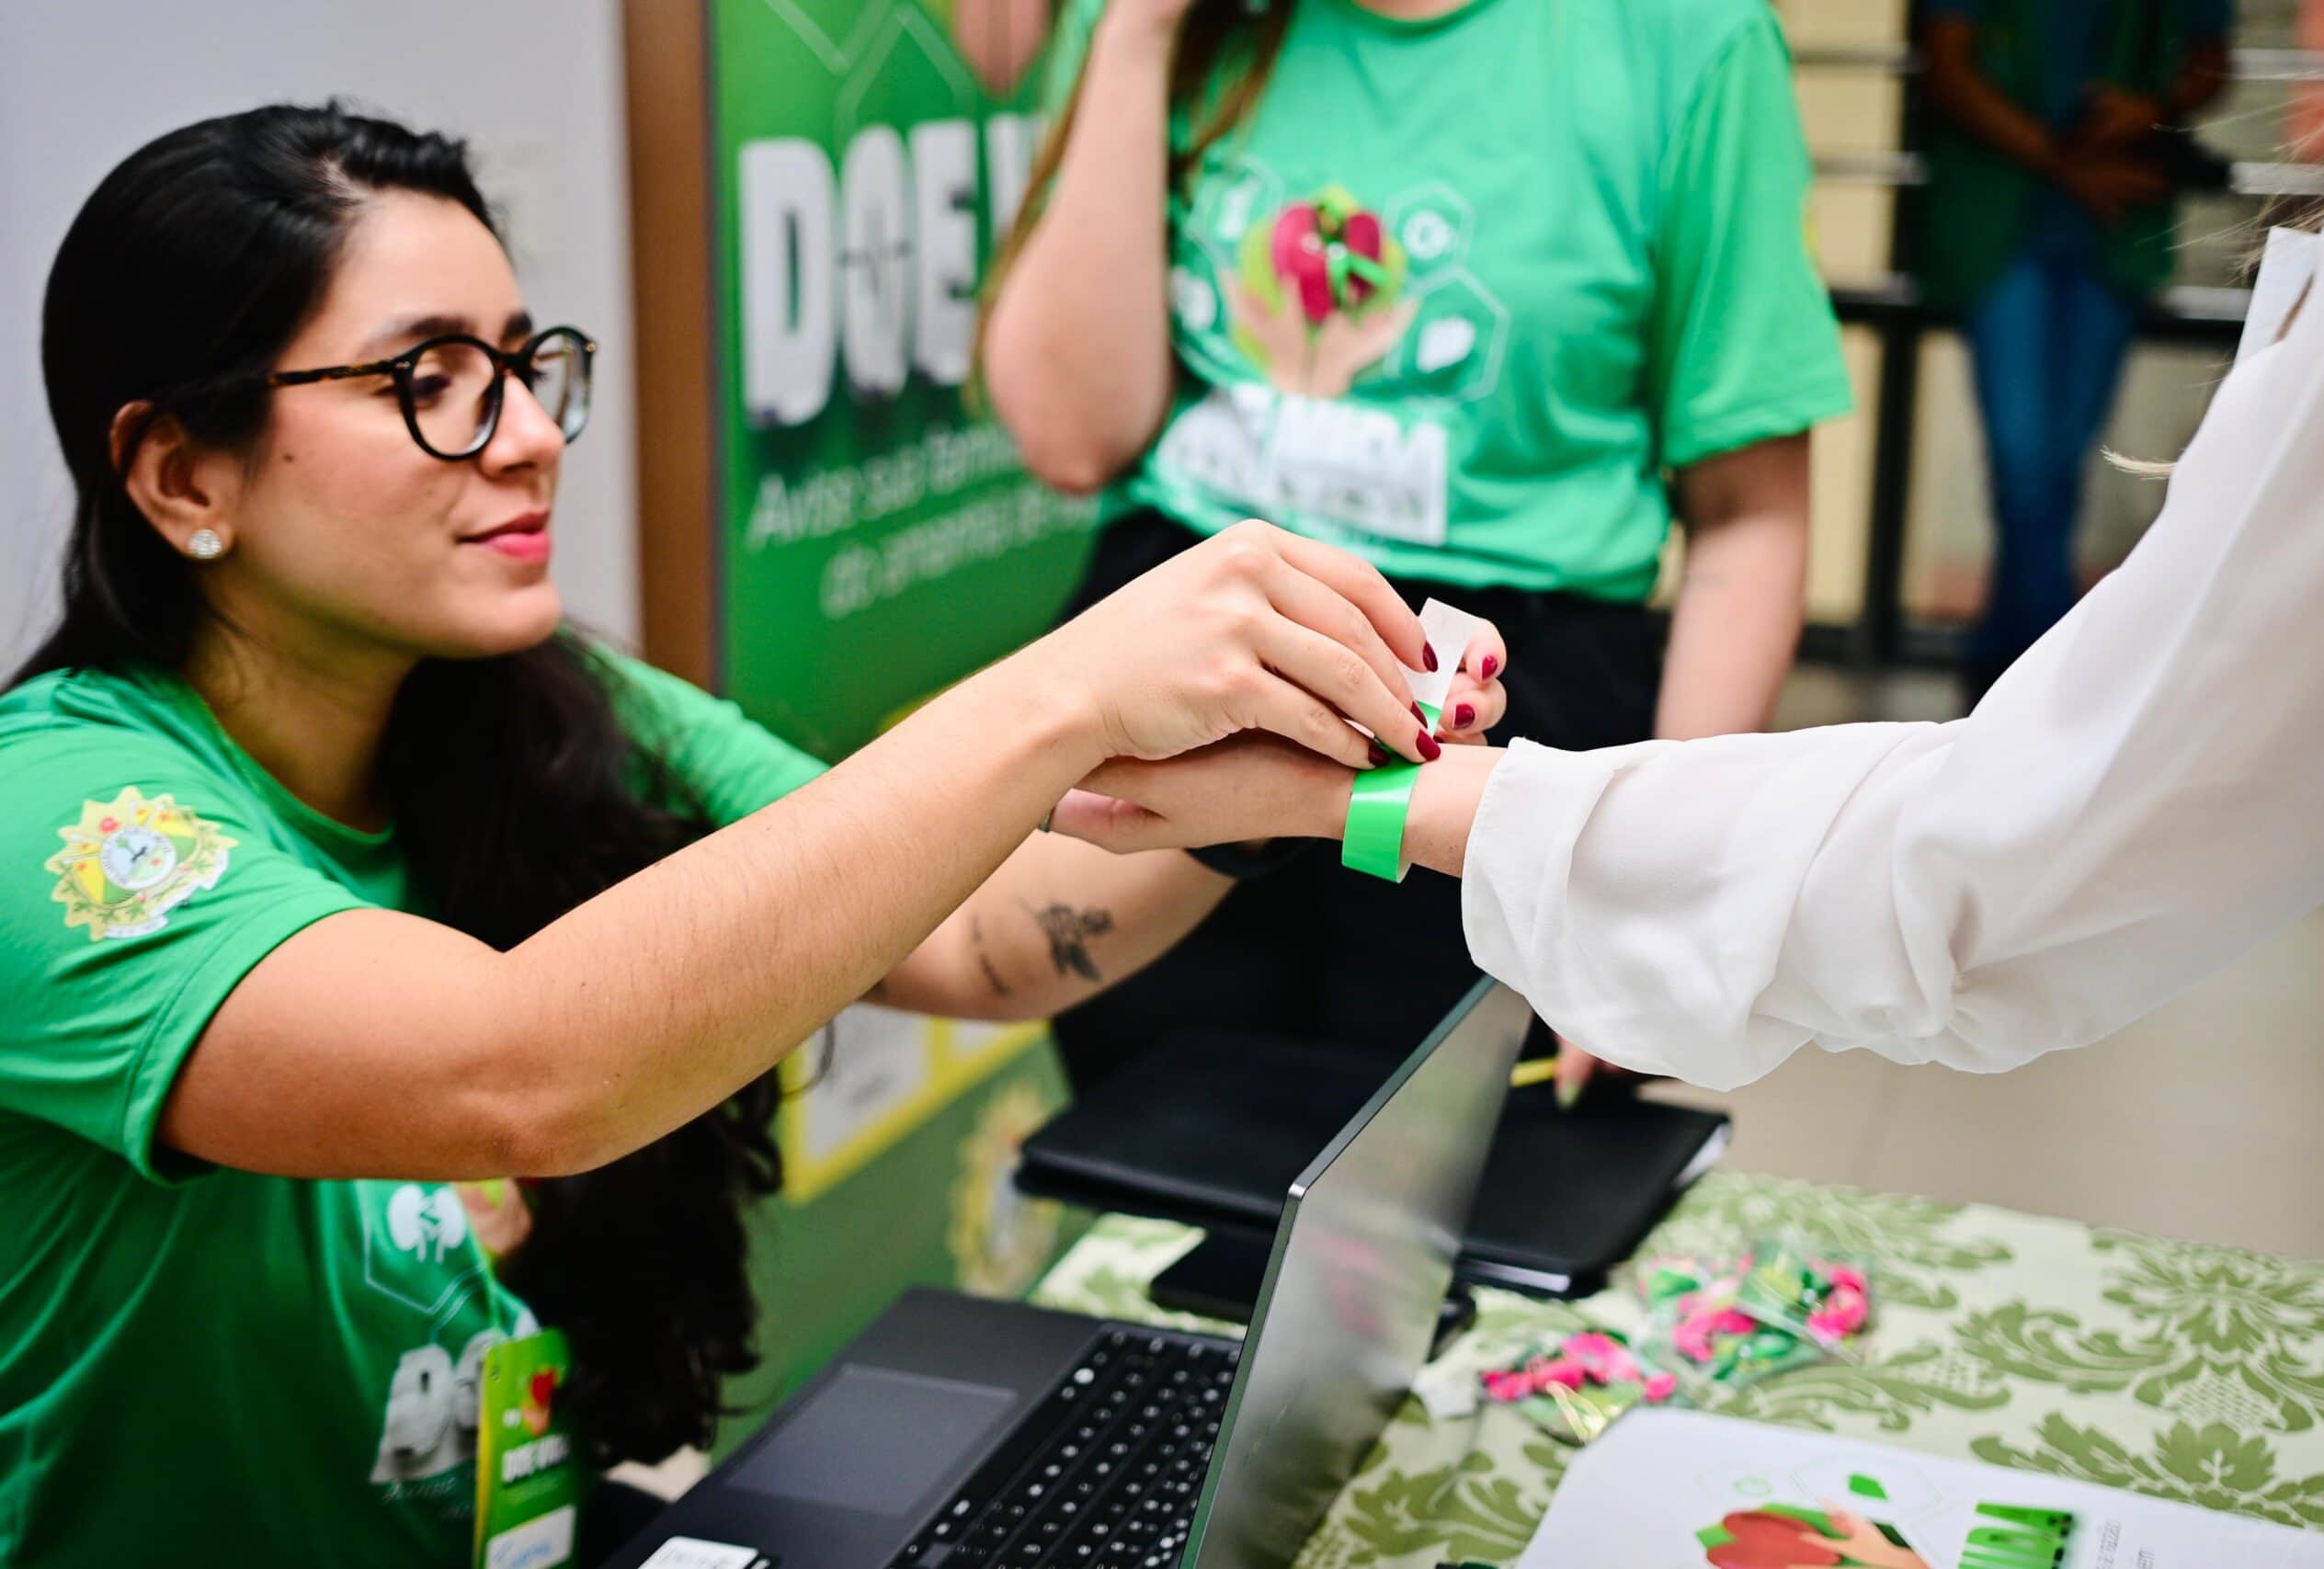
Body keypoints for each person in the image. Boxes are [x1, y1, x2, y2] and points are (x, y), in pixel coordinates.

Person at [0, 104, 1506, 1563]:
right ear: (185, 474)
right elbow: (515, 1070)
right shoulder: (57, 820)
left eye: (525, 365)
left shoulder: (549, 712)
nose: (530, 435)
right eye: (431, 378)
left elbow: (978, 931)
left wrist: (1283, 775)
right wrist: (1070, 690)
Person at [1053, 184, 2324, 1099]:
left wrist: (1351, 795)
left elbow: (2009, 854)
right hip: (1254, 746)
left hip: (1447, 748)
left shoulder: (1679, 41)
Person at [978, 0, 1852, 1087]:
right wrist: (1136, 35)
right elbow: (1069, 439)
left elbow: (1747, 516)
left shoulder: (1683, 38)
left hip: (1502, 703)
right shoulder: (1165, 24)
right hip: (1185, 673)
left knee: (1464, 1162)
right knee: (1149, 1139)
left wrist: (1654, 881)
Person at [1918, 0, 2233, 699]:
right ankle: (2051, 690)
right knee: (2027, 468)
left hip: (2115, 233)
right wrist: (2064, 163)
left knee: (2055, 472)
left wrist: (2148, 108)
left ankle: (2004, 676)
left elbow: (2213, 55)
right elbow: (1946, 63)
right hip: (2001, 227)